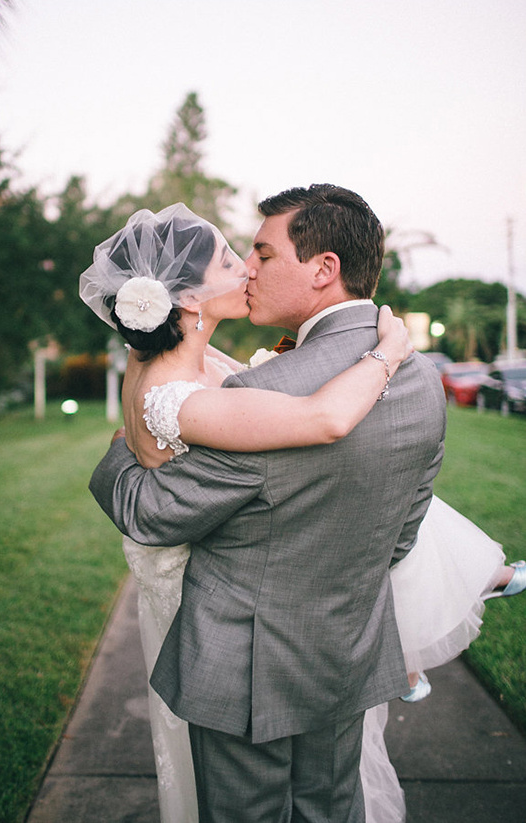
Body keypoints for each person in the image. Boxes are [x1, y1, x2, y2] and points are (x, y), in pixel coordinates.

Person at [85, 187, 522, 823]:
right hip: (349, 650)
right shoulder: (423, 376)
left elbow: (156, 513)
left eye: (260, 251)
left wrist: (119, 453)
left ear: (324, 268)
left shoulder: (255, 388)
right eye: (239, 257)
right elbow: (405, 527)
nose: (251, 267)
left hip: (245, 664)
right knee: (333, 808)